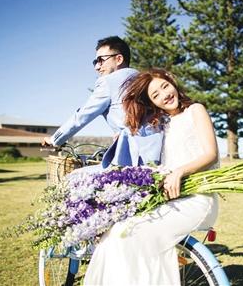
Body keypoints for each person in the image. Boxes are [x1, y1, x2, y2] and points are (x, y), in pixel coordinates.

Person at [84, 68, 219, 285]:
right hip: (173, 199)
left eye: (165, 86)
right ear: (153, 104)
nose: (164, 95)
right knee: (117, 231)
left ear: (172, 82)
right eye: (155, 95)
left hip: (198, 198)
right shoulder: (161, 124)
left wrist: (179, 172)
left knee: (135, 234)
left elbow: (211, 154)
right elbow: (140, 143)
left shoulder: (196, 110)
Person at [42, 35, 137, 148]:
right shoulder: (143, 78)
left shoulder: (108, 82)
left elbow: (82, 116)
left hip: (134, 150)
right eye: (95, 62)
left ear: (119, 59)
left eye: (101, 60)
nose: (97, 67)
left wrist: (54, 140)